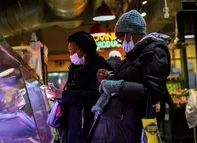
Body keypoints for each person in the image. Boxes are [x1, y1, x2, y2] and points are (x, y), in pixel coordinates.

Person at [90, 10, 171, 143]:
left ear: (129, 34)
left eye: (121, 38)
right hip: (123, 125)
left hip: (136, 126)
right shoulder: (134, 55)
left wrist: (118, 86)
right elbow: (131, 77)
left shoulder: (154, 52)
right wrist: (108, 78)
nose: (121, 43)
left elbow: (154, 93)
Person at [46, 31, 111, 143]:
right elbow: (72, 94)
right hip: (72, 125)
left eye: (73, 51)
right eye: (69, 51)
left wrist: (62, 94)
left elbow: (95, 97)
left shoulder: (100, 68)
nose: (71, 55)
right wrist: (57, 95)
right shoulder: (75, 68)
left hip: (88, 127)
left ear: (85, 50)